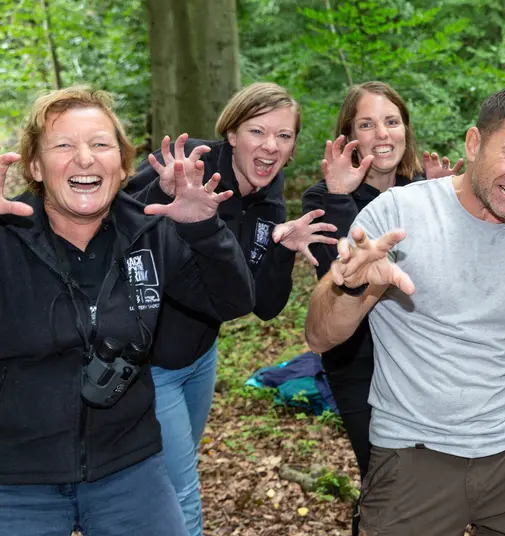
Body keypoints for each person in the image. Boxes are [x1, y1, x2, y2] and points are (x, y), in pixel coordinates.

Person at [305, 86, 505, 535]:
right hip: (412, 449)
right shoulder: (400, 213)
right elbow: (320, 337)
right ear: (474, 143)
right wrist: (351, 287)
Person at [0, 86, 254, 535]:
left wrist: (203, 229)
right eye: (63, 145)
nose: (84, 158)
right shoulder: (7, 233)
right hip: (16, 479)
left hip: (130, 467)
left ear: (121, 164)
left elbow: (232, 300)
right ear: (35, 166)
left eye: (101, 144)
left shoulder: (149, 230)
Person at [124, 82, 336, 536]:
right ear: (232, 133)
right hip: (150, 363)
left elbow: (261, 305)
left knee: (168, 476)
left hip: (201, 359)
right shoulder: (188, 169)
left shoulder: (268, 186)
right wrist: (152, 195)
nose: (271, 146)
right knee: (178, 489)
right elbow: (114, 231)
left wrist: (280, 249)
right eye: (258, 131)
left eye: (284, 136)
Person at [301, 80, 462, 535]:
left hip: (419, 360)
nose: (382, 134)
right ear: (350, 134)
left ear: (406, 130)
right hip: (359, 363)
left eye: (391, 122)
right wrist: (338, 197)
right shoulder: (323, 197)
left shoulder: (422, 192)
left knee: (427, 483)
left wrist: (442, 206)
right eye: (367, 124)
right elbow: (336, 280)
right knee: (384, 480)